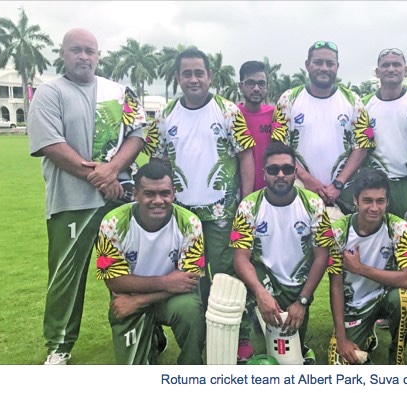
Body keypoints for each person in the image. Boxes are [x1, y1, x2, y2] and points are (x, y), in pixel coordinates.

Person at [27, 28, 146, 365]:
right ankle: (59, 346)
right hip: (72, 201)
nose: (83, 57)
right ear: (62, 54)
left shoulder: (117, 91)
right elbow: (50, 144)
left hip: (120, 198)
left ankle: (146, 335)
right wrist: (100, 175)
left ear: (98, 56)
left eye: (89, 51)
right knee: (67, 276)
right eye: (76, 50)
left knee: (134, 269)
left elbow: (138, 133)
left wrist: (114, 170)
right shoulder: (49, 92)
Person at [150, 47, 256, 326]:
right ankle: (199, 334)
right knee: (189, 277)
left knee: (227, 275)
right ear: (178, 78)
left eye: (199, 73)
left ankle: (237, 335)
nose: (193, 79)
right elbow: (156, 162)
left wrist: (245, 203)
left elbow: (246, 155)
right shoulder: (164, 115)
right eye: (187, 74)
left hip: (224, 214)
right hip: (181, 216)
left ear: (210, 76)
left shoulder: (227, 111)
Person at [231, 142, 334, 365]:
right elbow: (240, 258)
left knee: (289, 355)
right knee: (263, 352)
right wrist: (260, 293)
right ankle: (246, 339)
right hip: (263, 282)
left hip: (297, 289)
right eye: (273, 169)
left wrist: (303, 302)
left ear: (296, 173)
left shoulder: (313, 204)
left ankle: (298, 345)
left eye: (287, 169)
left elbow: (322, 256)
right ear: (264, 173)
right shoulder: (249, 206)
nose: (280, 175)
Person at [95, 162, 206, 364]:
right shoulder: (111, 224)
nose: (158, 201)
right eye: (149, 194)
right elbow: (114, 282)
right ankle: (153, 336)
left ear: (174, 193)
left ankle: (192, 367)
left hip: (168, 299)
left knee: (190, 308)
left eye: (165, 193)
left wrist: (140, 301)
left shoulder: (190, 224)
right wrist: (166, 282)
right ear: (135, 194)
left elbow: (188, 281)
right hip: (128, 298)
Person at [362, 48, 407, 336]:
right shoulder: (365, 108)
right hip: (377, 187)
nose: (391, 69)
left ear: (405, 70)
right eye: (385, 65)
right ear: (377, 71)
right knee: (378, 249)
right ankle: (378, 309)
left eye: (396, 64)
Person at [327, 169, 407, 365]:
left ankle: (397, 356)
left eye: (380, 201)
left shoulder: (398, 228)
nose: (374, 208)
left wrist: (360, 269)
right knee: (339, 365)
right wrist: (341, 338)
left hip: (384, 297)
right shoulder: (338, 232)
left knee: (403, 300)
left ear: (387, 201)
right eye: (367, 200)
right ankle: (366, 335)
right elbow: (335, 286)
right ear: (355, 200)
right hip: (354, 307)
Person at [272, 40, 375, 214]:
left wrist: (338, 184)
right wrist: (308, 180)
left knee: (342, 240)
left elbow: (363, 146)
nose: (324, 68)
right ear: (307, 65)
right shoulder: (288, 99)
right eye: (318, 62)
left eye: (330, 63)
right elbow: (279, 147)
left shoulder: (353, 101)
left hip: (343, 193)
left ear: (337, 66)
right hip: (299, 190)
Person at [237, 60, 276, 192]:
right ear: (240, 86)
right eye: (250, 83)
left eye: (261, 84)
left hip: (270, 193)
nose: (256, 88)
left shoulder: (275, 116)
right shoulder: (231, 116)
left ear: (267, 87)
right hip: (238, 194)